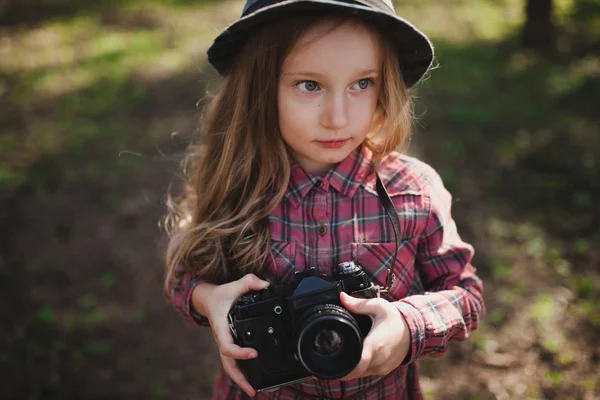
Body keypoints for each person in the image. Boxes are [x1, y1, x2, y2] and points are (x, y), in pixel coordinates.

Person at [163, 0, 485, 399]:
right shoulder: (240, 183)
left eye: (362, 83)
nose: (337, 117)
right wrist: (208, 298)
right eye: (309, 85)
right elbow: (184, 274)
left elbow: (465, 294)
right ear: (261, 88)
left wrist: (407, 326)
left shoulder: (412, 190)